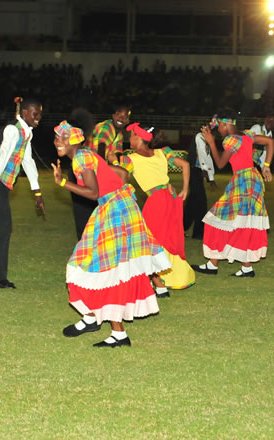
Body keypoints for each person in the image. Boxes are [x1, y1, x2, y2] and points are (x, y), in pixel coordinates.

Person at [52, 114, 170, 348]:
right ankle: (92, 317)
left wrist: (63, 183)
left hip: (114, 209)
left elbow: (94, 193)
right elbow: (122, 175)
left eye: (62, 138)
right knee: (95, 266)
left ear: (74, 141)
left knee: (105, 270)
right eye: (56, 138)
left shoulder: (81, 159)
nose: (57, 141)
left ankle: (116, 333)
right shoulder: (86, 155)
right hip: (117, 206)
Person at [192, 110, 274, 277]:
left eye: (219, 128)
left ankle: (220, 265)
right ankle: (235, 266)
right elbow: (271, 141)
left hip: (243, 182)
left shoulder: (231, 140)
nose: (219, 131)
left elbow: (221, 163)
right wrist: (266, 165)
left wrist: (211, 142)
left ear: (226, 125)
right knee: (239, 222)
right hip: (251, 179)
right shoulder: (247, 135)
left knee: (216, 218)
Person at [120, 122, 194, 292]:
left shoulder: (130, 159)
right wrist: (185, 188)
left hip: (157, 202)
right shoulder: (162, 152)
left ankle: (158, 283)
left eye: (131, 135)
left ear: (138, 138)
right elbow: (185, 164)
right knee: (167, 239)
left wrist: (111, 161)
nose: (129, 138)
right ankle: (165, 279)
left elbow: (121, 177)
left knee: (148, 240)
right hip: (171, 198)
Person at [0, 97, 45, 289]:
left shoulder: (26, 133)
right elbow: (3, 152)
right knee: (1, 228)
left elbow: (27, 160)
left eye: (40, 113)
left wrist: (37, 191)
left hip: (2, 182)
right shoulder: (12, 129)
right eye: (35, 113)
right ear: (24, 112)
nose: (39, 117)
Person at [67, 104, 132, 239]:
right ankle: (84, 243)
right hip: (84, 169)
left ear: (128, 121)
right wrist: (102, 169)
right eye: (119, 114)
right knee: (84, 210)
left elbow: (117, 153)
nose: (122, 118)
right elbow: (101, 145)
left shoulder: (119, 134)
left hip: (92, 170)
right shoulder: (107, 127)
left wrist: (117, 165)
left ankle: (93, 242)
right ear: (113, 115)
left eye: (125, 116)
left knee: (93, 209)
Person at [183, 120, 217, 240]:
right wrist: (208, 174)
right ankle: (198, 233)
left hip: (198, 171)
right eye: (206, 128)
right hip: (195, 170)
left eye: (209, 128)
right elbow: (202, 155)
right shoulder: (199, 137)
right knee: (201, 203)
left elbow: (208, 157)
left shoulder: (206, 139)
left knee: (192, 203)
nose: (208, 130)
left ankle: (181, 227)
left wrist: (211, 176)